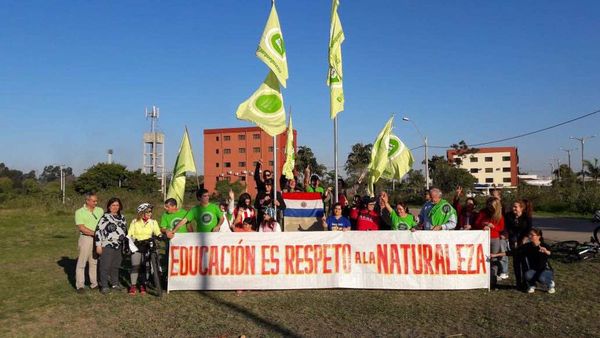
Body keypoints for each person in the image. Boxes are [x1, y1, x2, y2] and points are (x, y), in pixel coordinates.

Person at [492, 228, 555, 294]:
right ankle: (532, 285)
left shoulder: (545, 246)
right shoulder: (527, 246)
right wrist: (495, 255)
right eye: (529, 235)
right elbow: (513, 252)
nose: (530, 236)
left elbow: (551, 254)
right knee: (527, 275)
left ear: (539, 236)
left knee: (542, 278)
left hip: (545, 269)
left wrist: (546, 251)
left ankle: (550, 284)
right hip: (534, 270)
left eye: (532, 235)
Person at [94, 197, 127, 294]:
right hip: (107, 244)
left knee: (116, 266)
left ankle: (115, 283)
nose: (115, 207)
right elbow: (98, 232)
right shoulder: (105, 217)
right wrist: (98, 245)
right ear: (109, 206)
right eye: (113, 205)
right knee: (105, 266)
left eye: (117, 205)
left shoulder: (122, 217)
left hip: (119, 245)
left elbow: (125, 231)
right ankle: (104, 285)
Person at [127, 203, 161, 295]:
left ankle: (143, 285)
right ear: (142, 213)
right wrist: (132, 240)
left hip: (148, 245)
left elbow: (157, 232)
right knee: (135, 266)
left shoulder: (153, 222)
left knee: (145, 267)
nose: (150, 213)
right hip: (137, 245)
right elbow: (130, 234)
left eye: (151, 211)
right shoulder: (134, 222)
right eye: (148, 211)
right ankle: (133, 286)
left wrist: (161, 236)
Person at [74, 192, 104, 293]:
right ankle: (80, 285)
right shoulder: (79, 212)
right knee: (82, 263)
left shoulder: (100, 210)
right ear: (87, 201)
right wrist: (95, 234)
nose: (96, 202)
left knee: (94, 262)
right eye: (94, 201)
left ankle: (94, 283)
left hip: (98, 239)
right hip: (86, 239)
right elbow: (82, 228)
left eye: (96, 200)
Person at [474, 197, 507, 282]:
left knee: (493, 257)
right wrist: (483, 225)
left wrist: (493, 226)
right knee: (482, 256)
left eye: (492, 206)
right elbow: (477, 223)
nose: (490, 207)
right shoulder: (482, 212)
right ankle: (482, 274)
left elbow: (501, 228)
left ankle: (493, 276)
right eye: (489, 205)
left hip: (495, 238)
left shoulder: (500, 215)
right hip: (484, 238)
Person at [505, 199, 533, 290]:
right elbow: (509, 229)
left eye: (515, 207)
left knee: (525, 262)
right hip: (514, 240)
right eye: (513, 206)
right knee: (516, 262)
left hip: (524, 241)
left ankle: (526, 282)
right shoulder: (509, 216)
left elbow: (529, 229)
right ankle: (518, 282)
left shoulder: (527, 217)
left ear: (521, 208)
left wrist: (524, 238)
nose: (513, 208)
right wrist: (514, 240)